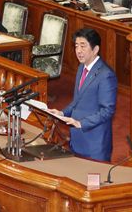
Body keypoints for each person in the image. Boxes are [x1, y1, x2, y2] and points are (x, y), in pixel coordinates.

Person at [49, 28, 117, 161]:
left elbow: (107, 110)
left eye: (83, 46)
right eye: (76, 46)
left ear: (95, 49)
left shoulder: (106, 75)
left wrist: (81, 123)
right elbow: (77, 101)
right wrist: (62, 113)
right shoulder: (82, 68)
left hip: (94, 142)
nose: (78, 51)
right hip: (77, 138)